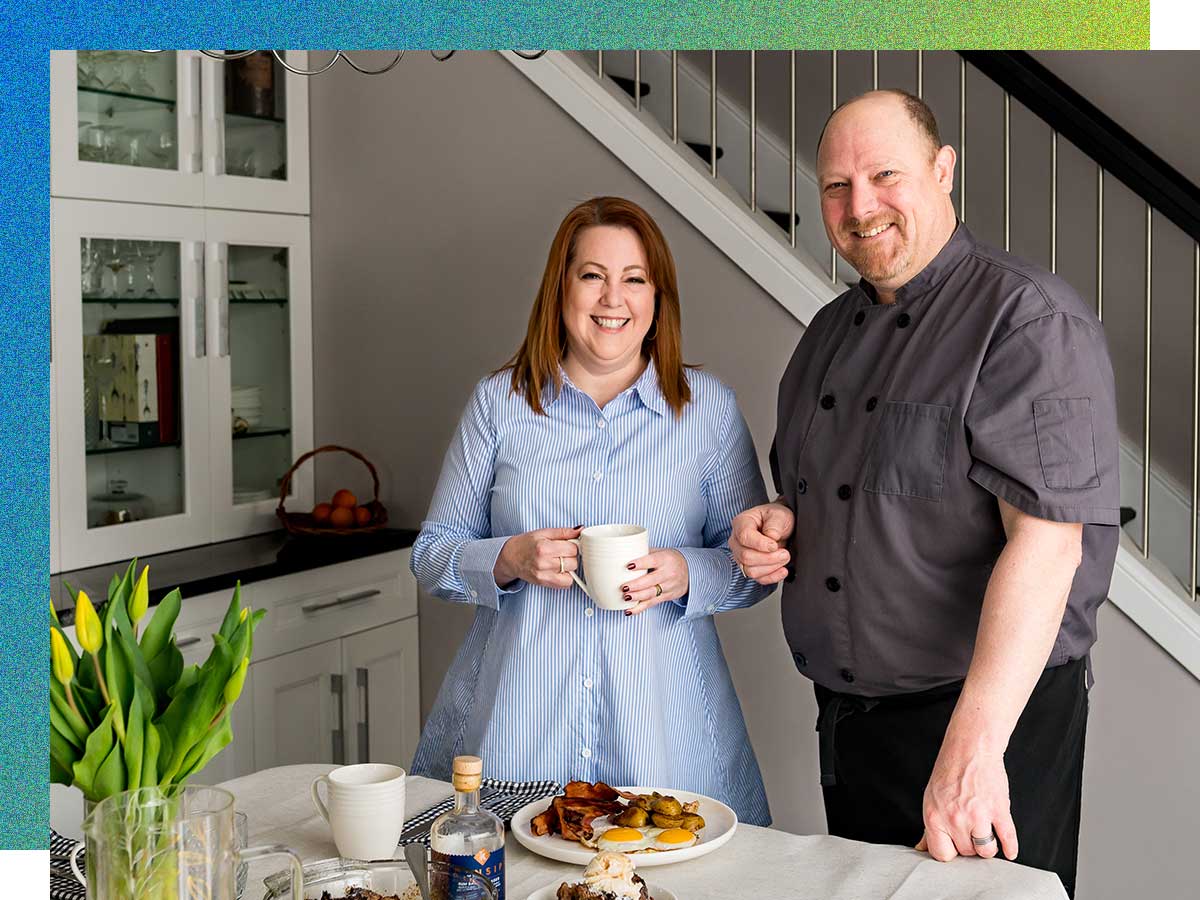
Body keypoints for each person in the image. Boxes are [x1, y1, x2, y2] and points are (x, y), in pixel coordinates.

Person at [730, 91, 1118, 897]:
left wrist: (973, 753)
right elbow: (843, 503)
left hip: (982, 726)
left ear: (944, 171)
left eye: (884, 175)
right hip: (853, 727)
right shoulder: (827, 335)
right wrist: (774, 528)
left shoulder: (1028, 321)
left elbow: (1050, 544)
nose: (859, 206)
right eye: (836, 186)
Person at [410, 196, 772, 825]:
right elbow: (430, 552)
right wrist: (508, 557)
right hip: (521, 721)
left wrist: (688, 571)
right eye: (592, 276)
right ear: (561, 289)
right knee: (514, 876)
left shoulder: (708, 409)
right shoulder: (500, 404)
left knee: (669, 875)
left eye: (634, 279)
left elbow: (754, 563)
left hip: (665, 726)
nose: (613, 298)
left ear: (658, 301)